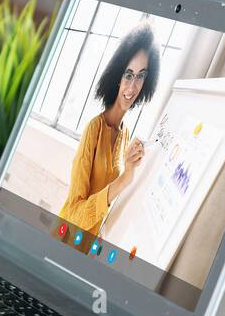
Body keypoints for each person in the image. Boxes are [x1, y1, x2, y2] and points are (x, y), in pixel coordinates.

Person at [58, 23, 160, 241]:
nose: (132, 87)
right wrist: (125, 178)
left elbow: (107, 199)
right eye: (128, 74)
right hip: (66, 242)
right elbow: (75, 215)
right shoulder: (94, 129)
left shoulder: (125, 134)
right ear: (117, 76)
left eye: (141, 76)